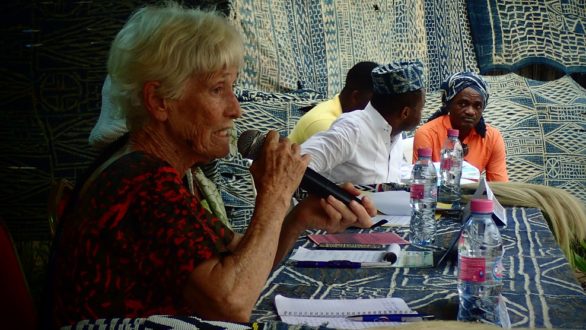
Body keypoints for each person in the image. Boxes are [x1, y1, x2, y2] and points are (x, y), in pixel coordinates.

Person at [48, 3, 376, 328]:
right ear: (160, 101)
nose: (236, 109)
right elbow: (231, 302)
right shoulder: (143, 182)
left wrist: (298, 216)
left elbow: (239, 260)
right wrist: (275, 194)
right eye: (218, 89)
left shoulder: (155, 169)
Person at [300, 61, 426, 185]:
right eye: (421, 108)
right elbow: (294, 165)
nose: (422, 112)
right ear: (405, 113)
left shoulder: (395, 135)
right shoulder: (351, 131)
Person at [412, 72, 508, 181]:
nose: (471, 112)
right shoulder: (427, 133)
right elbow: (421, 183)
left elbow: (499, 186)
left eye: (477, 106)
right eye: (463, 104)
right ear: (448, 105)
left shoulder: (492, 137)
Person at [288, 61, 379, 144]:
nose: (380, 109)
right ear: (355, 97)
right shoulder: (325, 125)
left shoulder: (344, 114)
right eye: (376, 102)